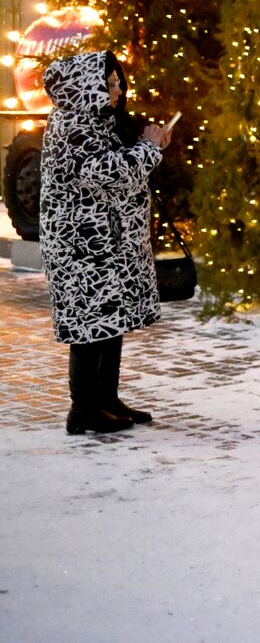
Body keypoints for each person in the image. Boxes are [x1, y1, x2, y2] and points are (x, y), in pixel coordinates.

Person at [39, 50, 171, 435]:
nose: (117, 91)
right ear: (88, 85)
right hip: (80, 245)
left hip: (102, 242)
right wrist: (149, 150)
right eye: (110, 84)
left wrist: (150, 143)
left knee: (109, 320)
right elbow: (105, 173)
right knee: (88, 326)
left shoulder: (98, 121)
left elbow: (121, 165)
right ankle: (83, 410)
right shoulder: (73, 124)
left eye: (118, 83)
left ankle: (106, 400)